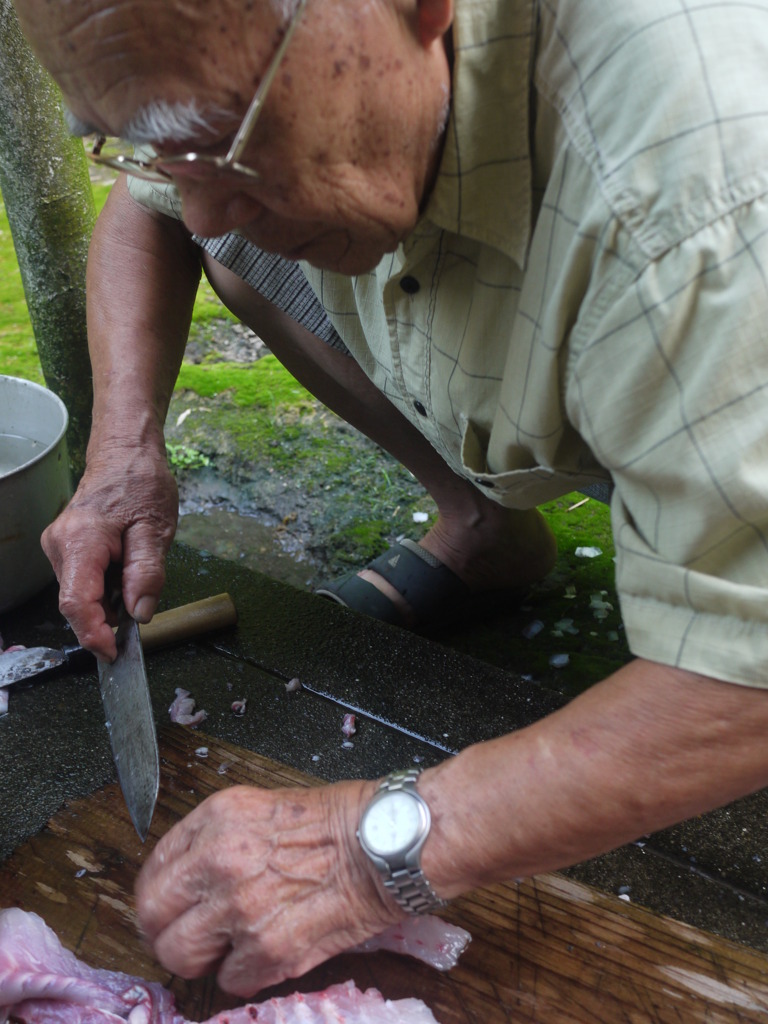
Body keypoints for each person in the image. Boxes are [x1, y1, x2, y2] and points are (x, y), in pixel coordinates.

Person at [12, 0, 768, 999]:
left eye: (214, 140)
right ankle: (486, 527)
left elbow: (746, 679)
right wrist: (120, 449)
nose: (197, 208)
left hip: (700, 326)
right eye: (145, 142)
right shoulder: (242, 113)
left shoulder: (705, 209)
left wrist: (371, 851)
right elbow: (151, 211)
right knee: (245, 250)